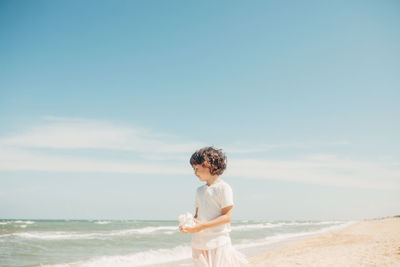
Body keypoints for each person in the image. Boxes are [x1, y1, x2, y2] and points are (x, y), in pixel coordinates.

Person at [179, 147, 248, 267]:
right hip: (199, 244)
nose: (195, 173)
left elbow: (227, 217)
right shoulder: (199, 191)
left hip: (218, 242)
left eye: (197, 168)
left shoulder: (224, 188)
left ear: (209, 165)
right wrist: (189, 225)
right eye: (193, 169)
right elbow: (197, 215)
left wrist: (202, 226)